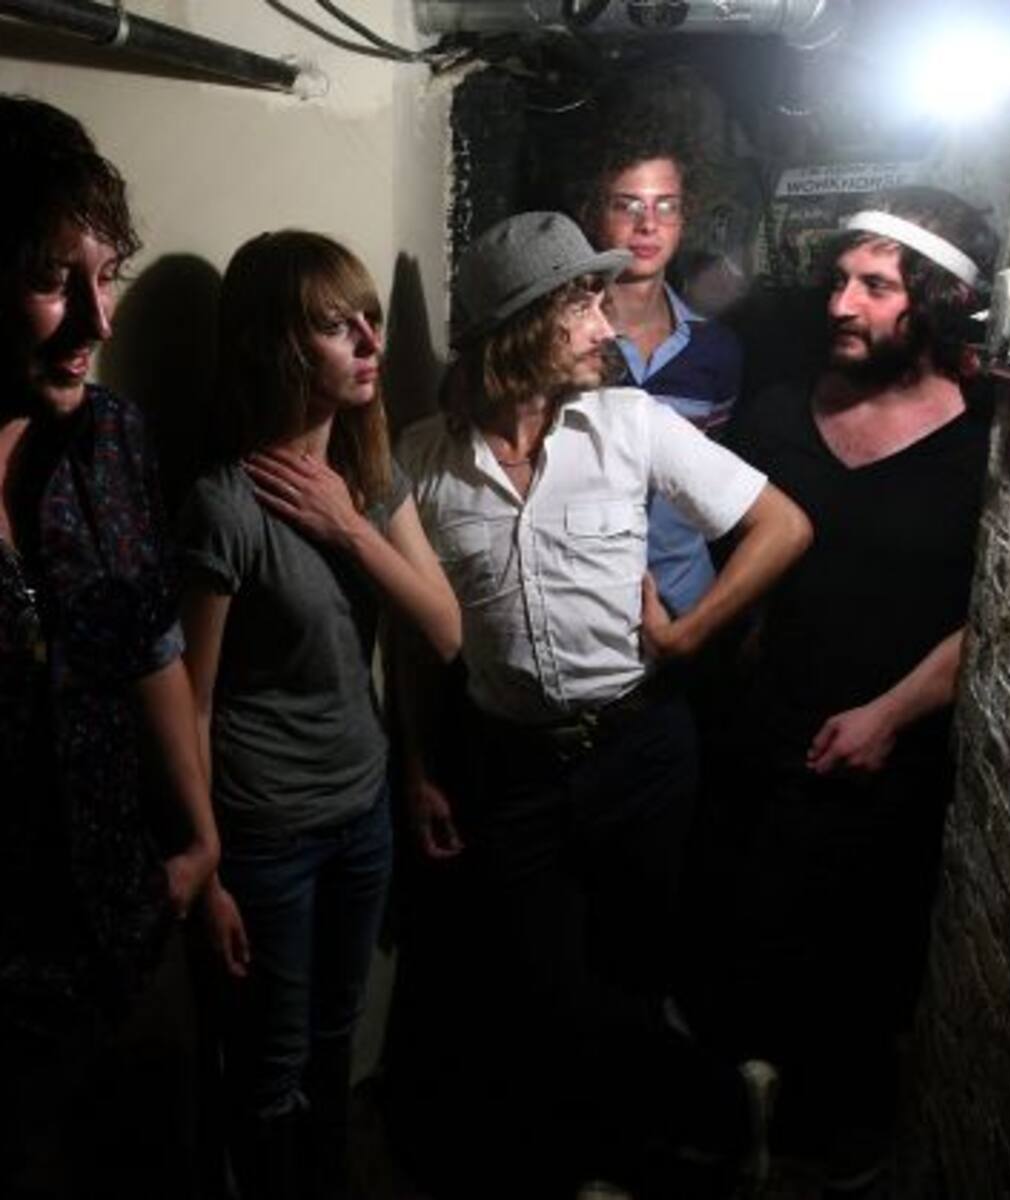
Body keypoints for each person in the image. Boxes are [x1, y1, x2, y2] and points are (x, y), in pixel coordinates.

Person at [396, 210, 811, 1197]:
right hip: (511, 763)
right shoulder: (420, 459)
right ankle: (719, 1105)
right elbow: (409, 634)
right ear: (517, 328)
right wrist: (416, 764)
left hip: (640, 752)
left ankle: (617, 1162)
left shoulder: (629, 424)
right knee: (542, 986)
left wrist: (689, 634)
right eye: (579, 304)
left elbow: (782, 526)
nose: (605, 323)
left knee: (630, 976)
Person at [722, 186, 998, 1191]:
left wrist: (892, 713)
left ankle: (835, 1151)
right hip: (765, 740)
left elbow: (994, 615)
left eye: (876, 285)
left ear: (936, 302)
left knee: (857, 990)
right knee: (748, 966)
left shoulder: (982, 442)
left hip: (894, 762)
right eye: (840, 279)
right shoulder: (775, 417)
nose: (842, 302)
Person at [177, 230, 460, 1200]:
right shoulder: (227, 503)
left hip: (362, 808)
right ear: (278, 345)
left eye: (371, 319)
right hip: (268, 832)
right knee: (270, 1066)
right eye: (341, 326)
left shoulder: (370, 477)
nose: (372, 343)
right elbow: (190, 703)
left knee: (338, 1040)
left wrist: (348, 524)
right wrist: (208, 870)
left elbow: (443, 631)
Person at [0, 95, 219, 1196]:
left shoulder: (112, 439)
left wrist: (200, 845)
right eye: (53, 278)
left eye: (109, 273)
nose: (98, 318)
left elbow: (151, 644)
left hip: (130, 922)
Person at [576, 99, 742, 616]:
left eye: (666, 206)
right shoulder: (566, 343)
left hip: (687, 602)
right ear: (593, 213)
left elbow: (713, 489)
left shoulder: (716, 350)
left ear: (684, 216)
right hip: (586, 607)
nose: (648, 224)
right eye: (627, 205)